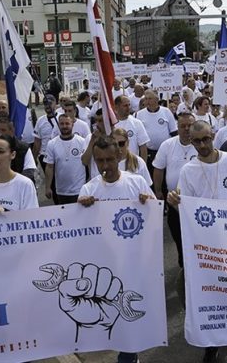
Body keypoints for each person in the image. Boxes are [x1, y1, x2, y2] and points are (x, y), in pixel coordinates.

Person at [167, 120, 227, 363]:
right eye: (197, 141)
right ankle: (211, 341)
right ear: (190, 141)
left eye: (206, 139)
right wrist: (175, 203)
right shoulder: (188, 170)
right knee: (208, 289)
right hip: (205, 243)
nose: (202, 145)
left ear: (213, 135)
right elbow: (187, 208)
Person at [77, 135, 154, 363]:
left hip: (133, 263)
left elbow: (153, 220)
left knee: (129, 313)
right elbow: (80, 233)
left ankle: (129, 355)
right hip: (104, 267)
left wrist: (147, 204)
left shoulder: (137, 182)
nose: (106, 166)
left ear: (119, 156)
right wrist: (81, 210)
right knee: (108, 316)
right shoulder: (88, 189)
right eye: (100, 161)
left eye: (110, 160)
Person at [152, 112, 197, 266]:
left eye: (189, 125)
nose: (186, 129)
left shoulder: (203, 145)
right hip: (174, 202)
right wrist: (158, 191)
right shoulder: (168, 145)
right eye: (182, 126)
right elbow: (158, 169)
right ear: (176, 127)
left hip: (197, 202)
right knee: (178, 236)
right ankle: (183, 263)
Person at [0, 134, 38, 219]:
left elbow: (32, 219)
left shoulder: (25, 184)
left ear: (12, 155)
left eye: (0, 151)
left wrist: (4, 211)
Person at [134, 89, 177, 180]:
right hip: (149, 152)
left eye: (150, 98)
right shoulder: (139, 114)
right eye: (146, 99)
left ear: (156, 99)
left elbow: (174, 132)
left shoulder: (166, 112)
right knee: (150, 176)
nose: (147, 101)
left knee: (165, 176)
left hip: (165, 151)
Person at [44, 114, 87, 204]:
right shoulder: (52, 144)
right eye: (62, 124)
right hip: (61, 190)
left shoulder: (82, 142)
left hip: (79, 189)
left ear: (72, 125)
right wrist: (47, 187)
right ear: (58, 125)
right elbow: (49, 167)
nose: (64, 126)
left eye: (67, 123)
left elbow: (87, 164)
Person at [0, 117, 38, 184]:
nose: (0, 133)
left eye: (3, 130)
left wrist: (12, 183)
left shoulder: (24, 148)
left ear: (12, 131)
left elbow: (29, 171)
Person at [114, 95, 149, 162]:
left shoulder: (137, 123)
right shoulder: (110, 125)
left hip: (132, 164)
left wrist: (143, 165)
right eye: (125, 105)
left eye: (129, 105)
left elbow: (143, 148)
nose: (128, 108)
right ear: (116, 107)